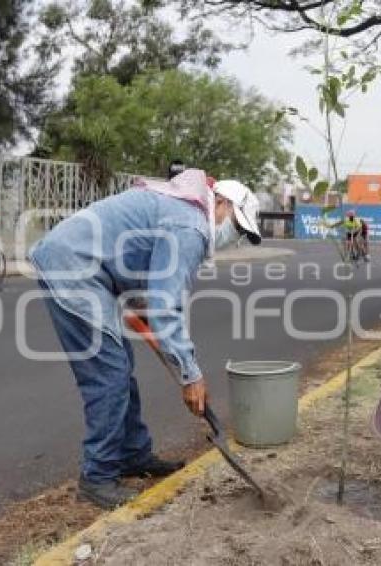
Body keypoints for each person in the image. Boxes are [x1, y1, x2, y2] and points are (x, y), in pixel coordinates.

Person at [29, 170, 261, 509]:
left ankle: (132, 455)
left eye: (241, 233)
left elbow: (152, 293)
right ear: (221, 203)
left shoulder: (183, 212)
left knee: (120, 367)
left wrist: (160, 328)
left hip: (87, 269)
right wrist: (190, 374)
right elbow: (165, 305)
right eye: (237, 226)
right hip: (74, 268)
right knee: (109, 376)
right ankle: (97, 478)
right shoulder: (191, 226)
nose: (234, 237)